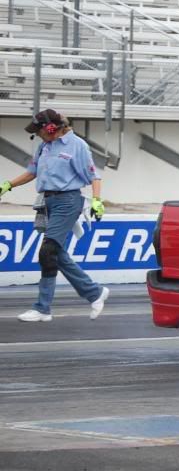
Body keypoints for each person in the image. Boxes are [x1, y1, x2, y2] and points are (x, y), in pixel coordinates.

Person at [0, 109, 109, 322]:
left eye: (38, 130)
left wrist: (97, 200)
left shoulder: (77, 145)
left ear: (51, 128)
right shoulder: (44, 147)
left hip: (67, 202)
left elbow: (94, 175)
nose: (37, 134)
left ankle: (42, 308)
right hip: (47, 202)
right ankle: (94, 292)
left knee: (47, 251)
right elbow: (33, 172)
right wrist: (7, 185)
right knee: (56, 254)